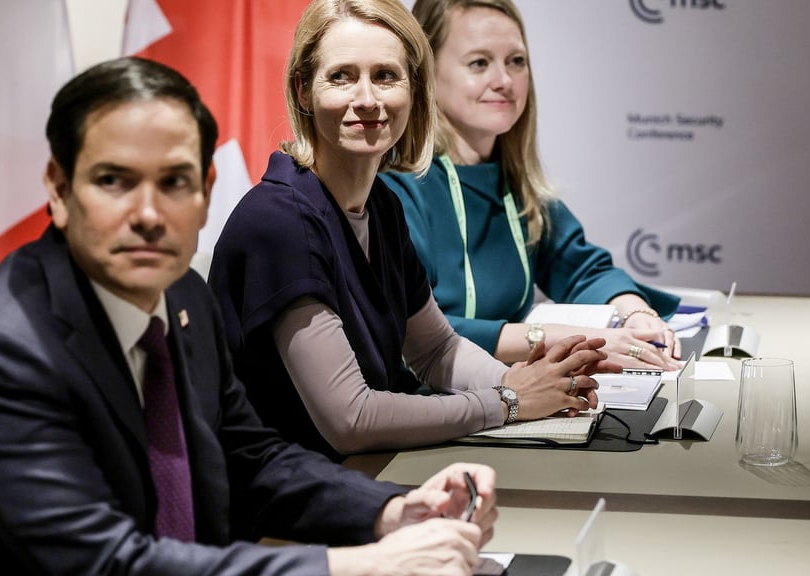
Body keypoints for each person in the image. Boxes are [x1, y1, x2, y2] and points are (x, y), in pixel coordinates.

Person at [0, 56, 500, 576]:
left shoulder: (182, 300)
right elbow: (107, 565)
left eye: (174, 182)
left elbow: (252, 460)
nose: (148, 213)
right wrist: (356, 566)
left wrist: (394, 512)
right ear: (59, 192)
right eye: (114, 181)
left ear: (204, 196)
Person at [208, 0, 614, 462]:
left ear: (415, 91)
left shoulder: (380, 205)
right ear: (302, 91)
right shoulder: (279, 221)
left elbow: (435, 348)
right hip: (277, 509)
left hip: (358, 474)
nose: (366, 99)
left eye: (385, 76)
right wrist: (510, 401)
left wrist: (530, 385)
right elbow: (352, 420)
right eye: (341, 76)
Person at [380, 0, 682, 369]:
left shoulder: (514, 182)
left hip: (509, 396)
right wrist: (568, 340)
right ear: (425, 72)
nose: (504, 81)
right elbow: (416, 333)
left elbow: (582, 269)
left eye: (516, 61)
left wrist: (636, 315)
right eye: (479, 63)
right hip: (434, 410)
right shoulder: (397, 187)